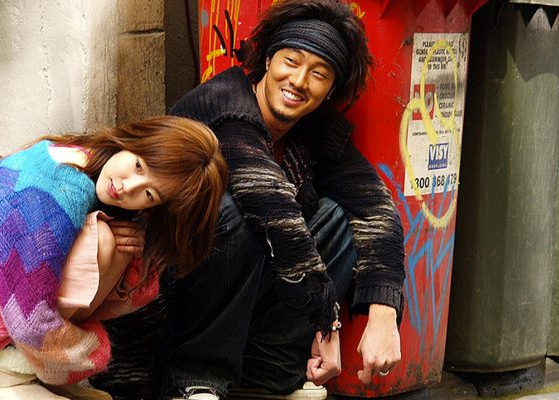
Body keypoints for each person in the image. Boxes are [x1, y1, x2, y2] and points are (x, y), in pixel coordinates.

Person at [166, 0, 406, 398]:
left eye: (319, 74)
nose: (299, 80)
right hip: (167, 294)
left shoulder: (313, 131)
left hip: (246, 290)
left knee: (340, 217)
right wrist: (327, 320)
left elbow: (375, 207)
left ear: (330, 90)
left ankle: (268, 375)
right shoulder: (224, 104)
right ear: (267, 60)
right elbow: (270, 205)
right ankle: (194, 380)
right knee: (239, 212)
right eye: (290, 61)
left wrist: (383, 313)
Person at [0, 116, 228, 399]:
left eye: (149, 194)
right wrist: (94, 351)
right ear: (135, 141)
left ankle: (28, 372)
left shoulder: (86, 160)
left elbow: (138, 288)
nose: (128, 186)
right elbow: (31, 323)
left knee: (113, 243)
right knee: (101, 242)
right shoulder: (56, 193)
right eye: (139, 165)